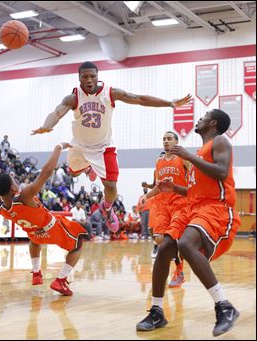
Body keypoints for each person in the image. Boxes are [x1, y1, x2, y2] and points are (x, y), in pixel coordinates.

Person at [31, 61, 192, 234]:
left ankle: (107, 209)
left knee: (111, 187)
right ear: (79, 78)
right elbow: (57, 112)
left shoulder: (110, 93)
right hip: (79, 146)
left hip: (104, 147)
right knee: (73, 173)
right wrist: (46, 126)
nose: (89, 80)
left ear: (97, 76)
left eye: (93, 76)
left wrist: (169, 103)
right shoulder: (74, 97)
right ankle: (87, 169)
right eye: (85, 77)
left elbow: (138, 99)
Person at [136, 109, 241, 337]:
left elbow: (222, 172)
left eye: (203, 117)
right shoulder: (197, 154)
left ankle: (224, 306)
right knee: (164, 249)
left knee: (185, 244)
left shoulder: (219, 141)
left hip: (217, 208)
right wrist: (174, 188)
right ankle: (156, 311)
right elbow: (194, 191)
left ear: (212, 123)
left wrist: (189, 157)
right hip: (194, 208)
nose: (199, 119)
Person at [0, 143, 88, 296]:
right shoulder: (24, 196)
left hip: (35, 233)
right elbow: (46, 173)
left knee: (34, 239)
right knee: (78, 245)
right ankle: (61, 280)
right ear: (13, 188)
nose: (16, 182)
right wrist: (58, 148)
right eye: (14, 181)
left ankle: (36, 272)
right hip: (52, 229)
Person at [141, 131, 190, 288]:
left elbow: (194, 181)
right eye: (164, 139)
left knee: (172, 238)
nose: (166, 141)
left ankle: (179, 271)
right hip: (162, 205)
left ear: (176, 142)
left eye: (169, 139)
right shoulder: (158, 162)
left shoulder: (184, 160)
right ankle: (174, 261)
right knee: (159, 240)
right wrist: (146, 196)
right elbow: (158, 186)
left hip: (179, 203)